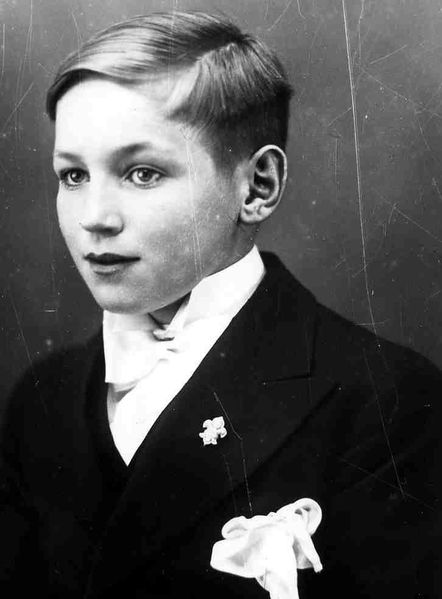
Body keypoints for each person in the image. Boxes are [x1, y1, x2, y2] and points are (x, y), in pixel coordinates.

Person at [1, 10, 441, 599]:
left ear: (257, 186)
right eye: (74, 175)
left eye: (142, 173)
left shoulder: (384, 402)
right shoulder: (42, 397)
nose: (94, 218)